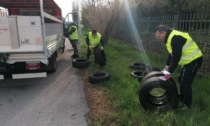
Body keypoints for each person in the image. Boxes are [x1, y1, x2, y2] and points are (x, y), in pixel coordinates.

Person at [154, 24, 203, 108]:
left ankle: (187, 105)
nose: (158, 38)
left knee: (185, 82)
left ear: (163, 33)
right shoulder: (169, 38)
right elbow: (171, 53)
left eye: (158, 36)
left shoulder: (175, 37)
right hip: (187, 62)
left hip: (194, 60)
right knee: (181, 79)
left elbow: (176, 56)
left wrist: (170, 71)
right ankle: (182, 97)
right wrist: (167, 65)